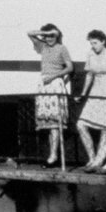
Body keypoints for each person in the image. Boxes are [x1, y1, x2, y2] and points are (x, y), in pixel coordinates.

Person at [74, 29, 106, 165]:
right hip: (95, 92)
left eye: (95, 43)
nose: (93, 46)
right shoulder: (90, 54)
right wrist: (83, 93)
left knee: (105, 128)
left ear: (103, 41)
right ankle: (91, 157)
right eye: (91, 43)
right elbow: (89, 75)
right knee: (81, 124)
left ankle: (99, 160)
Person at [28, 23, 72, 166]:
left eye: (52, 35)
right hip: (44, 85)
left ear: (57, 35)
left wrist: (54, 76)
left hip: (54, 84)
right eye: (46, 36)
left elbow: (69, 67)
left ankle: (53, 156)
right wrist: (45, 33)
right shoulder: (43, 47)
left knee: (55, 123)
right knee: (47, 123)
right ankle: (52, 155)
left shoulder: (61, 48)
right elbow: (29, 33)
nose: (49, 38)